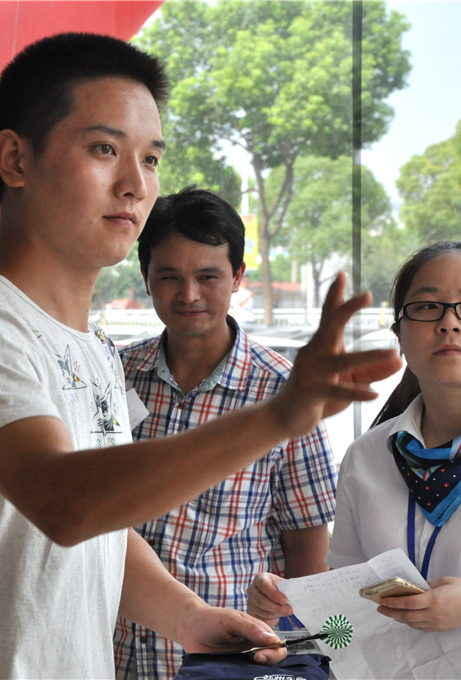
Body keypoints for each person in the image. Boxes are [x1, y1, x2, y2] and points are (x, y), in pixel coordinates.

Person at [0, 32, 400, 680]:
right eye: (104, 149)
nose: (136, 184)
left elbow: (103, 534)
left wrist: (188, 617)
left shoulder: (98, 350)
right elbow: (65, 504)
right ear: (15, 158)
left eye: (151, 158)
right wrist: (278, 416)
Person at [248, 241, 461, 679]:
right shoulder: (368, 457)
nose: (449, 322)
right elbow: (350, 618)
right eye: (427, 307)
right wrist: (287, 614)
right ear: (400, 333)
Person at [115, 187, 336, 680]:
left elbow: (308, 554)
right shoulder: (113, 375)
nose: (188, 295)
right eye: (169, 276)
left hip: (231, 661)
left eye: (208, 276)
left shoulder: (283, 393)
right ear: (146, 278)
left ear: (238, 277)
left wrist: (295, 657)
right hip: (118, 655)